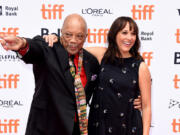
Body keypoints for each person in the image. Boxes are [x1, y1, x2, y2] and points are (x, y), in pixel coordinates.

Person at [0, 14, 142, 135]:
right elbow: (34, 48)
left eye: (79, 36)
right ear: (61, 32)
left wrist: (136, 97)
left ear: (86, 37)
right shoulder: (48, 48)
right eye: (68, 35)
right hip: (45, 129)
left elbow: (107, 87)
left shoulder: (91, 61)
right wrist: (22, 43)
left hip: (76, 130)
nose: (73, 40)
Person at [44, 16, 151, 135]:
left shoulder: (140, 66)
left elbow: (146, 107)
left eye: (133, 34)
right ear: (114, 34)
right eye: (124, 32)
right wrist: (55, 38)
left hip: (127, 126)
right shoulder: (102, 55)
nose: (129, 38)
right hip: (99, 125)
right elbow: (72, 46)